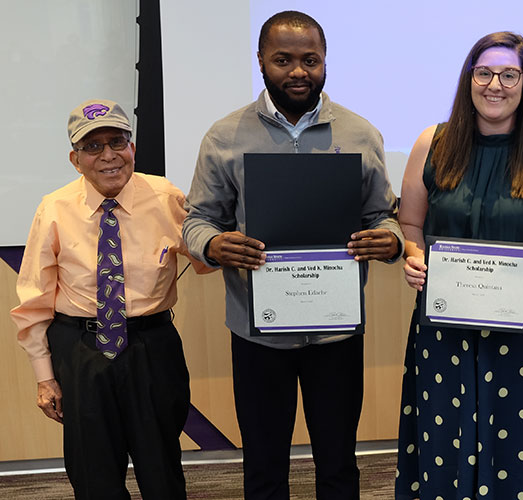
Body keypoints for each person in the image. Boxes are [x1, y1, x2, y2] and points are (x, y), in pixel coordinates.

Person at [181, 11, 403, 500]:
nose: (298, 71)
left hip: (337, 331)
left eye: (310, 60)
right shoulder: (224, 136)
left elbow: (381, 216)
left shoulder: (360, 133)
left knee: (339, 463)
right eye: (283, 60)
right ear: (261, 60)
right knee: (263, 466)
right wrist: (214, 244)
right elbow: (196, 220)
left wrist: (391, 241)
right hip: (258, 332)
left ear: (325, 62)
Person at [395, 32, 523, 499]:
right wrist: (413, 255)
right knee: (444, 440)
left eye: (509, 74)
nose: (495, 85)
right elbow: (410, 223)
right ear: (469, 79)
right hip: (444, 328)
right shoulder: (433, 143)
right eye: (484, 73)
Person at [10, 99, 209, 499]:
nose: (108, 156)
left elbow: (206, 256)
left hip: (152, 346)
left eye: (117, 142)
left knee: (162, 470)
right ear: (75, 158)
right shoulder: (54, 208)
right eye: (93, 147)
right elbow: (33, 300)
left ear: (132, 147)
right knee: (93, 473)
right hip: (81, 349)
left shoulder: (165, 195)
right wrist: (45, 377)